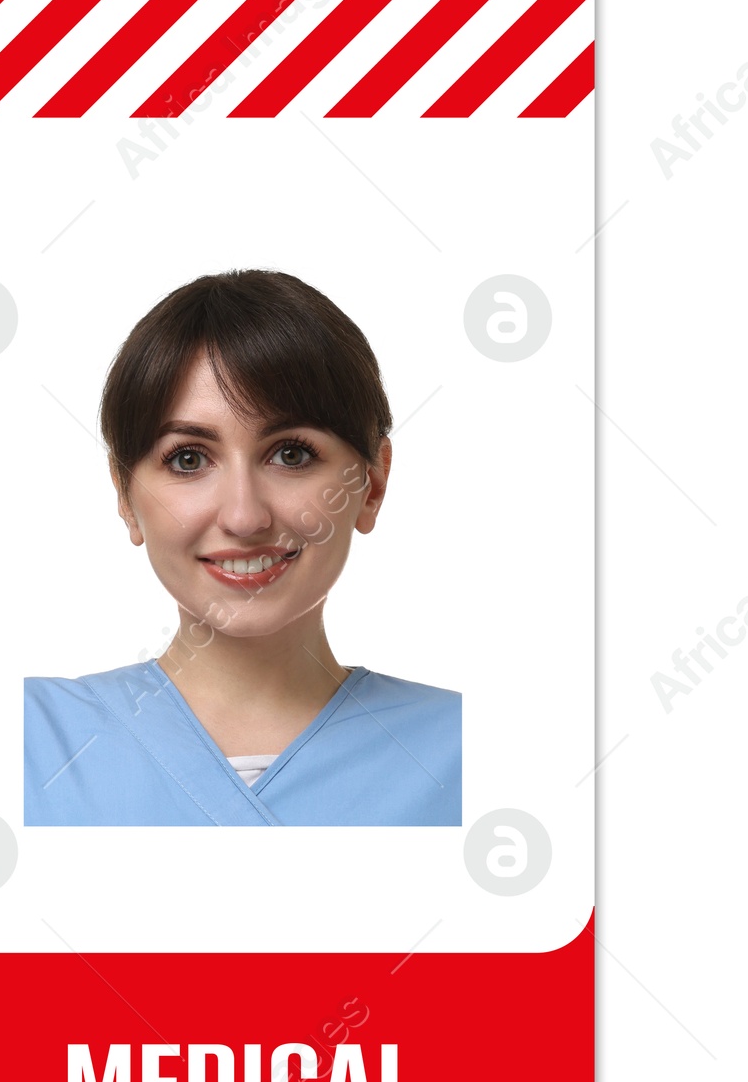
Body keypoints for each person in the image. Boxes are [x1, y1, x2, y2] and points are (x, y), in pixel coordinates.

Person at [24, 269, 461, 827]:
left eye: (292, 455)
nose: (244, 516)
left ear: (371, 484)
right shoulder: (23, 742)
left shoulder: (475, 757)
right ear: (124, 495)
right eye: (188, 459)